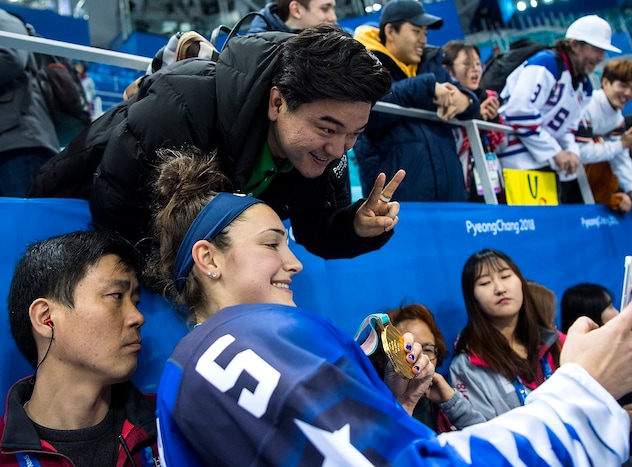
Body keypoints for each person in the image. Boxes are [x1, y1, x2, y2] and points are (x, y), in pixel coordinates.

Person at [150, 146, 632, 466]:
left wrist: (395, 403)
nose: (294, 263)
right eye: (271, 244)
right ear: (208, 260)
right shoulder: (250, 338)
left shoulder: (191, 364)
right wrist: (583, 392)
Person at [28, 25, 400, 263]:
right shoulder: (181, 107)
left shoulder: (320, 153)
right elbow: (118, 218)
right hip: (64, 220)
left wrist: (356, 226)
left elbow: (315, 228)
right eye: (328, 129)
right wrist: (194, 287)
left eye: (355, 134)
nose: (339, 150)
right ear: (277, 103)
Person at [1, 230, 159, 466]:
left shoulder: (170, 422)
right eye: (116, 296)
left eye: (135, 302)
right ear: (47, 318)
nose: (138, 317)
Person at [352, 0, 480, 202]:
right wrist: (425, 88)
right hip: (397, 206)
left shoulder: (431, 64)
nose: (422, 40)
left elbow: (470, 104)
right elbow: (365, 111)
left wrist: (466, 101)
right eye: (415, 31)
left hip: (453, 198)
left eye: (425, 33)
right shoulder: (363, 63)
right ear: (391, 31)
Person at [497, 15, 621, 203]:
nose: (600, 58)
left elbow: (568, 129)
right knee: (531, 226)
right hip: (518, 164)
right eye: (596, 49)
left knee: (548, 224)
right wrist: (555, 152)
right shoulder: (545, 63)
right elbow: (518, 112)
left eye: (602, 51)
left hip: (547, 166)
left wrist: (572, 152)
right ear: (574, 45)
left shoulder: (584, 86)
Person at [561, 283, 632, 465]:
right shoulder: (577, 367)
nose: (617, 313)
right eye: (609, 306)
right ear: (589, 313)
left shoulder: (622, 352)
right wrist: (617, 418)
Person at [450, 249, 566, 420]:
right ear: (472, 297)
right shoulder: (467, 368)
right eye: (485, 283)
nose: (500, 288)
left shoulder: (557, 342)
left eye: (505, 277)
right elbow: (481, 434)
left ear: (521, 282)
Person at [369, 303, 487, 432]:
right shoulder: (367, 407)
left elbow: (488, 441)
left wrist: (451, 401)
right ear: (383, 359)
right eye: (407, 350)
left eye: (427, 349)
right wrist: (398, 401)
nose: (421, 358)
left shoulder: (441, 399)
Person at [576, 59, 632, 222]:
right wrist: (621, 144)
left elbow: (621, 159)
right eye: (623, 86)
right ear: (605, 82)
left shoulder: (617, 119)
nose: (627, 93)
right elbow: (581, 152)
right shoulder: (587, 105)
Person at [0, 8, 60, 197]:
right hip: (9, 140)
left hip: (20, 141)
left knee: (27, 221)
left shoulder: (4, 18)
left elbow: (12, 59)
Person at [441, 40, 505, 201]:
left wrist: (494, 120)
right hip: (459, 183)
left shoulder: (489, 97)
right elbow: (453, 144)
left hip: (492, 180)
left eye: (477, 63)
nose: (475, 69)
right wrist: (475, 117)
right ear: (448, 69)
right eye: (467, 64)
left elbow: (499, 144)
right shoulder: (444, 100)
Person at [246, 0, 337, 34]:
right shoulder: (257, 54)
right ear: (296, 10)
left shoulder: (342, 35)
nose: (333, 17)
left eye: (333, 9)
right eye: (325, 9)